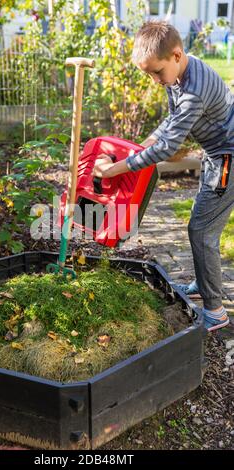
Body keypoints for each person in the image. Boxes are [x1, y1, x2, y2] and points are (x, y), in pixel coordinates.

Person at [93, 20, 234, 331]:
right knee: (201, 225)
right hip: (216, 153)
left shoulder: (194, 90)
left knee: (202, 231)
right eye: (148, 74)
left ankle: (215, 312)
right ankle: (204, 283)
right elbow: (171, 123)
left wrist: (115, 169)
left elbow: (168, 147)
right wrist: (138, 147)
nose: (155, 80)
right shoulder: (181, 73)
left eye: (156, 72)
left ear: (176, 55)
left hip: (228, 157)